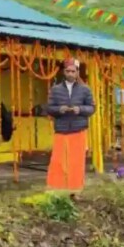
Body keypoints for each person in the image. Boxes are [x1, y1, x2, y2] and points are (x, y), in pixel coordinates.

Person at [45, 58, 95, 199]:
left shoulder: (85, 90)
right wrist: (59, 109)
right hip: (61, 129)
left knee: (76, 162)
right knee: (58, 161)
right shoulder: (55, 90)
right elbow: (49, 108)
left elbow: (92, 108)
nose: (70, 74)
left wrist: (80, 109)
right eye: (68, 71)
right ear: (63, 72)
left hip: (78, 129)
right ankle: (56, 190)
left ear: (78, 72)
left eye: (73, 71)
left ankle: (75, 191)